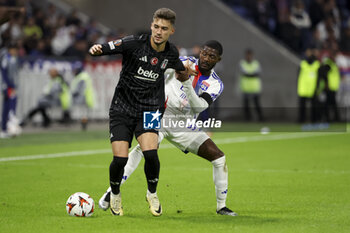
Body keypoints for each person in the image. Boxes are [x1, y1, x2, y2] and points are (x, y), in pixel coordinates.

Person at [98, 41, 238, 216]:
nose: (206, 58)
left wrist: (186, 82)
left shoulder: (216, 84)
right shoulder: (183, 61)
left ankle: (221, 207)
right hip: (158, 112)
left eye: (212, 56)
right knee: (142, 150)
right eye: (204, 53)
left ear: (218, 59)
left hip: (183, 124)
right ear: (200, 52)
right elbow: (159, 68)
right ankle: (110, 193)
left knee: (219, 158)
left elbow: (198, 107)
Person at [88, 8, 186, 216]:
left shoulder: (171, 52)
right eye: (156, 27)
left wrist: (186, 73)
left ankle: (152, 193)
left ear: (171, 31)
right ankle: (115, 194)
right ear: (152, 26)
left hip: (150, 109)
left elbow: (179, 68)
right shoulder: (134, 43)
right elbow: (106, 47)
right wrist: (97, 49)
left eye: (164, 29)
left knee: (151, 154)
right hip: (122, 108)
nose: (159, 32)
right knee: (120, 160)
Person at [0, 43, 20, 138]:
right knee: (9, 104)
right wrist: (8, 84)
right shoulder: (6, 58)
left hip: (12, 85)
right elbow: (3, 73)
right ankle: (7, 125)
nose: (15, 52)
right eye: (14, 50)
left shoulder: (14, 59)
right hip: (7, 86)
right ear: (10, 50)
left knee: (8, 105)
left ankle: (6, 127)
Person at [239, 48, 264, 121]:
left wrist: (249, 74)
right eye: (247, 55)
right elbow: (245, 73)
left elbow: (256, 73)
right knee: (246, 105)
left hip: (255, 88)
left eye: (250, 55)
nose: (248, 57)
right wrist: (252, 74)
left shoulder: (256, 63)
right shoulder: (242, 63)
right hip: (245, 88)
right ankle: (247, 119)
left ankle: (261, 118)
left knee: (257, 104)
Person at [297, 47, 320, 123]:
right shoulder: (303, 63)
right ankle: (301, 120)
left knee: (314, 106)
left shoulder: (316, 64)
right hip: (303, 89)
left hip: (312, 89)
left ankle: (314, 120)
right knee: (302, 107)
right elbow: (298, 76)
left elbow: (319, 77)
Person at [70, 61, 95, 130]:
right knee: (84, 113)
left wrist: (73, 94)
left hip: (83, 97)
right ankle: (84, 125)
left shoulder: (82, 77)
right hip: (86, 96)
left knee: (83, 113)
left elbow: (79, 89)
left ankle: (84, 126)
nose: (73, 71)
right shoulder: (84, 76)